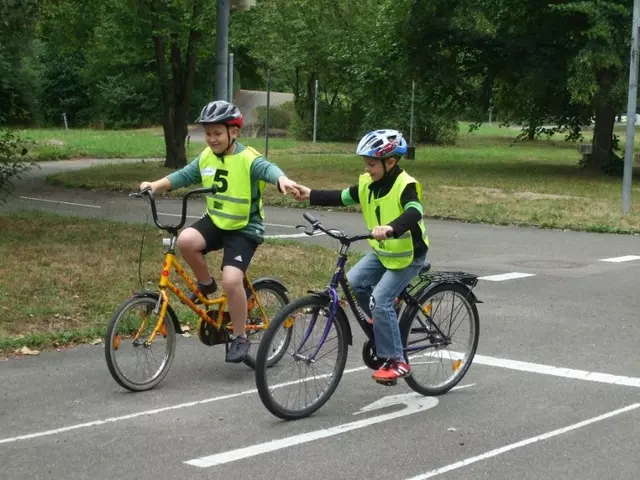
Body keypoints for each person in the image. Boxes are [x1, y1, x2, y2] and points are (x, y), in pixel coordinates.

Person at [140, 100, 299, 363]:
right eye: (208, 133)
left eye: (217, 133)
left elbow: (269, 170)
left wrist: (283, 180)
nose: (211, 139)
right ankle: (205, 283)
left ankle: (239, 336)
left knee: (232, 281)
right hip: (217, 221)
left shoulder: (248, 159)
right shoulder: (206, 157)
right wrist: (154, 186)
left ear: (233, 132)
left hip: (245, 228)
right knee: (186, 241)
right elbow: (183, 175)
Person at [293, 129, 429, 383]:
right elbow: (342, 197)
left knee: (380, 299)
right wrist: (309, 194)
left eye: (372, 164)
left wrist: (392, 227)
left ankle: (397, 360)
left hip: (408, 256)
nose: (367, 169)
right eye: (365, 163)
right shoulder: (368, 183)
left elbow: (414, 211)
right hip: (382, 252)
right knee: (354, 284)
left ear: (391, 162)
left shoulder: (405, 184)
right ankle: (381, 321)